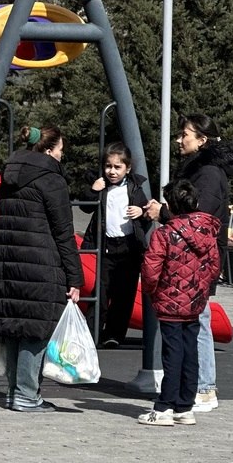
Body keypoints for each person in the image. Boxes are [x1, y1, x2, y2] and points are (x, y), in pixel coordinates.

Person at [0, 126, 84, 412]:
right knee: (35, 329)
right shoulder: (51, 180)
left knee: (14, 326)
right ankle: (27, 393)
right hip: (40, 262)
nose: (61, 156)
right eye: (60, 150)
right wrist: (75, 276)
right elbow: (63, 233)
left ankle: (14, 391)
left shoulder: (8, 176)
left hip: (6, 260)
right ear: (49, 151)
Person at [145, 114, 233, 415]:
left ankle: (204, 388)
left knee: (198, 323)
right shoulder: (199, 169)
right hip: (190, 258)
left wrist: (163, 214)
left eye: (184, 134)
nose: (178, 139)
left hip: (196, 259)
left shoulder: (208, 174)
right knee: (194, 322)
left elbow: (199, 220)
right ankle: (192, 390)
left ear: (202, 139)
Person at [137, 179, 223, 426]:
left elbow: (151, 269)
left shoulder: (164, 233)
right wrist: (200, 289)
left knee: (172, 353)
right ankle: (184, 406)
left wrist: (152, 292)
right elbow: (214, 267)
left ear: (171, 206)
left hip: (170, 301)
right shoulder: (207, 231)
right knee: (190, 351)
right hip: (195, 300)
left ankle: (164, 406)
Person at [81, 142, 152, 346]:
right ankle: (91, 333)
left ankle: (114, 334)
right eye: (108, 166)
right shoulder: (102, 186)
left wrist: (141, 211)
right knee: (101, 292)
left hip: (129, 247)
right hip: (107, 245)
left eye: (117, 167)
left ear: (127, 169)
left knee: (125, 293)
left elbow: (147, 211)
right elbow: (86, 207)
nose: (112, 171)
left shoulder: (134, 187)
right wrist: (93, 190)